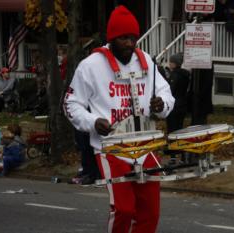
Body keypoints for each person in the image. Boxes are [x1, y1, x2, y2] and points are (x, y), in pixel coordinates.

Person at [63, 5, 174, 233]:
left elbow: (166, 93)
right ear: (111, 38)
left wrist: (162, 104)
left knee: (150, 212)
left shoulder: (145, 61)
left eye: (133, 38)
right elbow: (70, 104)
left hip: (145, 146)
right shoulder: (90, 66)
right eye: (123, 38)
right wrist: (93, 121)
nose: (130, 44)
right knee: (123, 209)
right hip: (110, 148)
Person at [165, 53, 190, 164]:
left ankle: (173, 156)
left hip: (173, 106)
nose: (169, 64)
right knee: (180, 130)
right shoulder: (186, 74)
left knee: (172, 131)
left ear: (175, 63)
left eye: (170, 62)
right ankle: (183, 155)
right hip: (183, 105)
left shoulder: (175, 75)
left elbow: (170, 90)